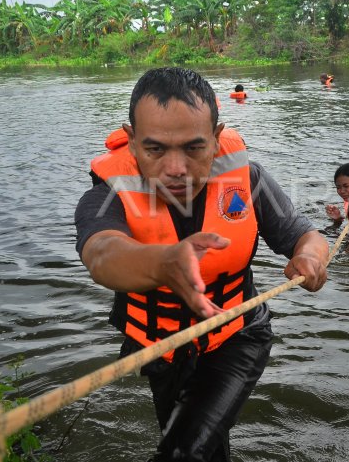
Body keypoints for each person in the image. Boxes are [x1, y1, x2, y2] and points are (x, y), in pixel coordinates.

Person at [74, 67, 329, 462]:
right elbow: (101, 253)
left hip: (237, 337)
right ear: (132, 140)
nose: (176, 168)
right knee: (196, 445)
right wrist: (162, 261)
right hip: (162, 347)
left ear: (215, 137)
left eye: (193, 148)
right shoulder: (107, 195)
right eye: (155, 149)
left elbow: (306, 236)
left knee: (182, 452)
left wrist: (310, 258)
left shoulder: (249, 181)